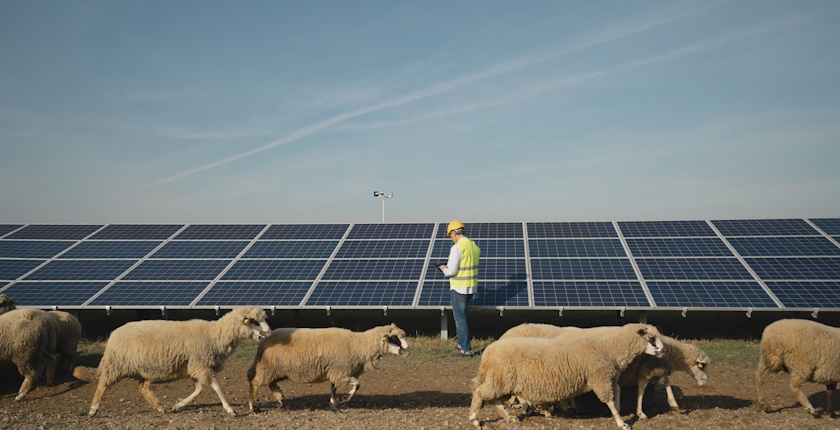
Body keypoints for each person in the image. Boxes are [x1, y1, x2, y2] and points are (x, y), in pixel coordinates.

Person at [438, 220, 480, 357]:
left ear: (455, 233)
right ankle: (461, 344)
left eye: (450, 235)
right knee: (461, 317)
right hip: (471, 287)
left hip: (459, 288)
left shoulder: (457, 248)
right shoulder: (473, 246)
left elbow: (451, 271)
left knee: (460, 319)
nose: (451, 238)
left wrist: (444, 269)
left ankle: (465, 350)